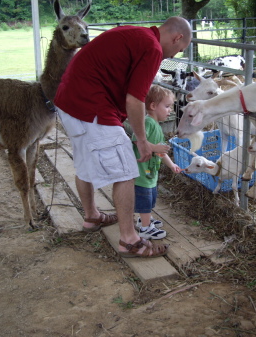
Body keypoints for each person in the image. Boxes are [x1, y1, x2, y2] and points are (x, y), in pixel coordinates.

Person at [54, 17, 192, 258]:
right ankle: (129, 240)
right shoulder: (152, 48)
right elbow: (135, 100)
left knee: (84, 162)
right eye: (178, 50)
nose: (172, 56)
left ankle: (92, 217)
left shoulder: (137, 34)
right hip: (92, 104)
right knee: (128, 170)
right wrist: (142, 140)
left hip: (68, 100)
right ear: (177, 37)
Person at [132, 85, 182, 240]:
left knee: (151, 197)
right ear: (153, 106)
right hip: (141, 172)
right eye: (167, 106)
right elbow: (136, 140)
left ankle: (144, 220)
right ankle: (145, 229)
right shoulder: (147, 122)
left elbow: (161, 152)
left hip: (150, 172)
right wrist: (154, 147)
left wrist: (171, 164)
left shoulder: (157, 126)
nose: (170, 110)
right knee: (145, 199)